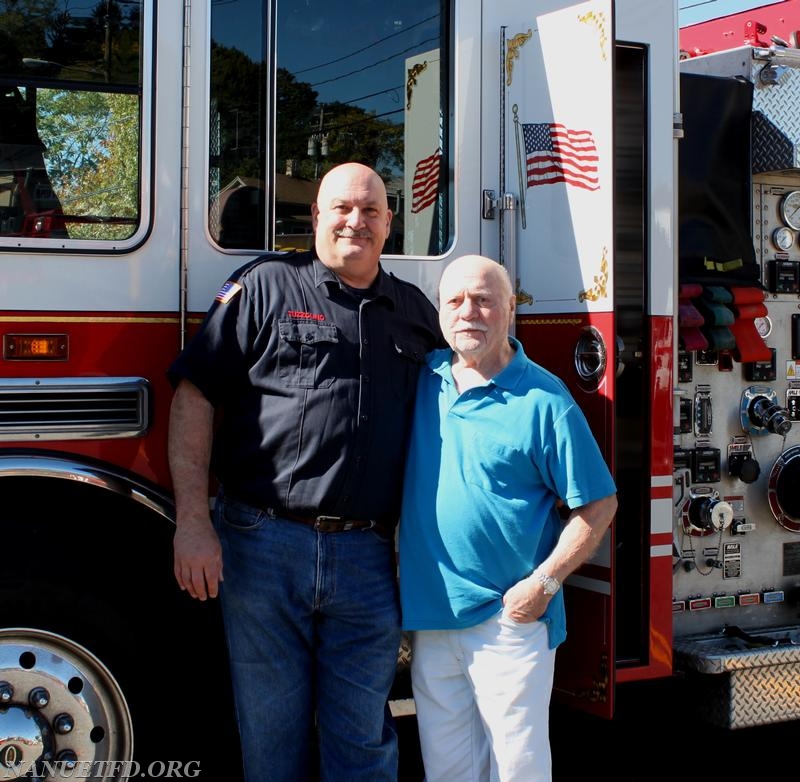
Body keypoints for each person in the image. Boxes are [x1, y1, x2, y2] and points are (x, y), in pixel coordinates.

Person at [166, 162, 442, 782]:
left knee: (363, 744)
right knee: (271, 742)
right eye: (342, 208)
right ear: (316, 217)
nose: (357, 221)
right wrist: (192, 523)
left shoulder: (416, 312)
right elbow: (194, 397)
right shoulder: (264, 287)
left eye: (372, 210)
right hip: (262, 545)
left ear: (389, 223)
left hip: (371, 557)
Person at [399, 254, 618, 782]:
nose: (467, 312)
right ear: (439, 311)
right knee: (447, 771)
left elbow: (599, 503)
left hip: (510, 622)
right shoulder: (424, 379)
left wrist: (542, 585)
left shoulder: (545, 400)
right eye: (454, 301)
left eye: (483, 300)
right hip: (433, 620)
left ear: (509, 311)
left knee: (517, 771)